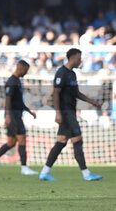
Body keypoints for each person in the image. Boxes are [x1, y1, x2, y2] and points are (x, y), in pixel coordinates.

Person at [39, 48, 103, 181]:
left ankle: (44, 172)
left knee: (61, 142)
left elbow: (77, 93)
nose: (80, 61)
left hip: (70, 112)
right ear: (72, 58)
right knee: (77, 140)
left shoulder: (72, 74)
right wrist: (58, 113)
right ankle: (86, 174)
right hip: (65, 113)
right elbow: (55, 93)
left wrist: (92, 102)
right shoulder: (61, 73)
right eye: (79, 58)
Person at [0, 60, 38, 175]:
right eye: (26, 71)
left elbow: (19, 101)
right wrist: (8, 115)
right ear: (20, 68)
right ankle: (24, 168)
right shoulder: (11, 81)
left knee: (11, 143)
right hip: (13, 115)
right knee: (22, 138)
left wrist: (29, 112)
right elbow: (8, 99)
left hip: (16, 114)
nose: (26, 73)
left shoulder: (17, 81)